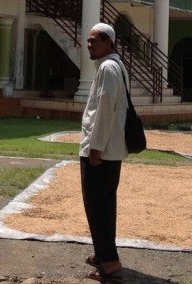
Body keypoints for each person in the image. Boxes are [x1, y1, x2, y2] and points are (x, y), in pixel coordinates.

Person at [80, 22, 129, 282]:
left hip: (102, 151)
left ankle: (109, 261)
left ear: (108, 43)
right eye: (88, 41)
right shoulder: (113, 66)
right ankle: (103, 254)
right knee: (103, 205)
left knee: (98, 206)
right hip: (109, 150)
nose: (90, 45)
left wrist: (95, 147)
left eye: (94, 41)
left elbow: (104, 111)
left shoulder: (109, 68)